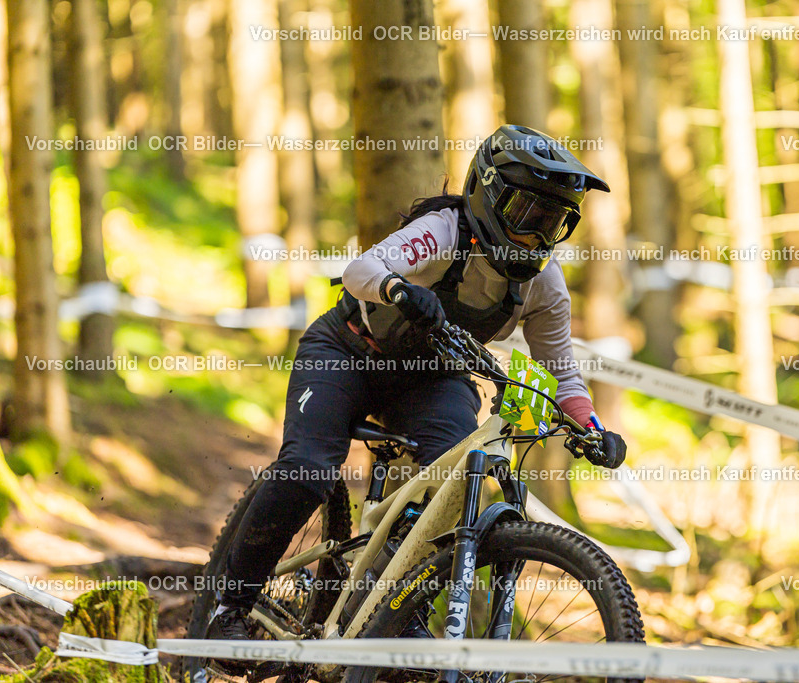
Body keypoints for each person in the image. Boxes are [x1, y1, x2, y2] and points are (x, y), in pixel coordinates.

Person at [205, 125, 628, 649]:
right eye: (528, 215)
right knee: (309, 468)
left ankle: (393, 616)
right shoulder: (444, 231)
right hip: (350, 353)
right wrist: (398, 288)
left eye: (554, 223)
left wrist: (592, 428)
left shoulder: (543, 284)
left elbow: (561, 371)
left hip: (433, 380)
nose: (536, 237)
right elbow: (361, 269)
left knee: (446, 491)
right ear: (490, 194)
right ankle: (230, 603)